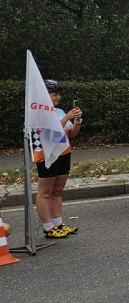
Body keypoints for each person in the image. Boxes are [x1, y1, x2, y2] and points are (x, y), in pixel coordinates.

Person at [33, 79, 83, 238]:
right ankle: (48, 228)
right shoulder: (39, 112)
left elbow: (72, 133)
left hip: (64, 153)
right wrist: (67, 117)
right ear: (44, 95)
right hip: (47, 155)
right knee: (45, 192)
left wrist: (77, 120)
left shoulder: (60, 111)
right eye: (54, 94)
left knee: (57, 191)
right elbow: (49, 133)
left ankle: (58, 223)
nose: (58, 97)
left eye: (59, 95)